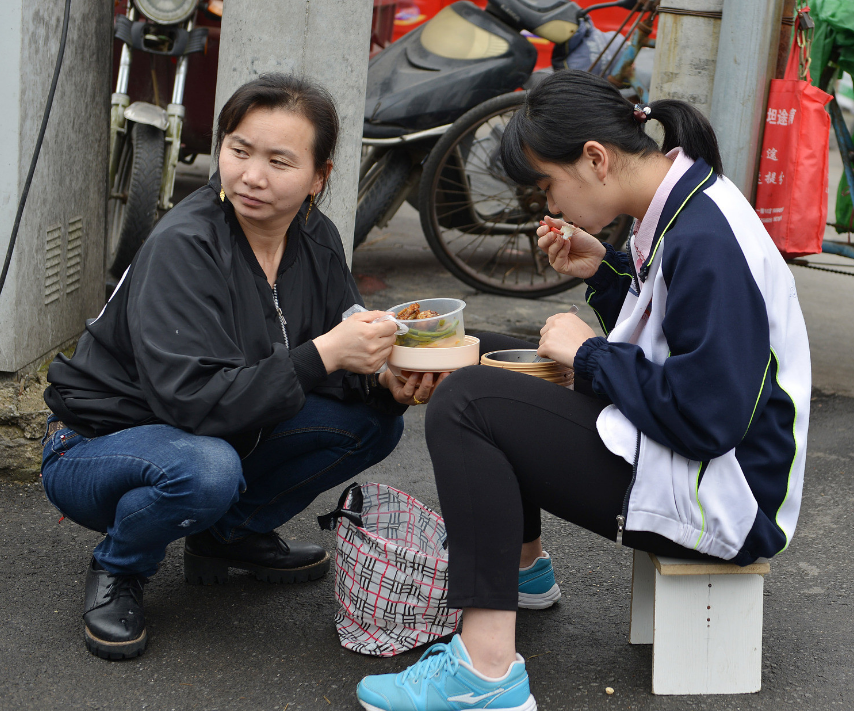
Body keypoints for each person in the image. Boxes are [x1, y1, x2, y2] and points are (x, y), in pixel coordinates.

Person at [355, 69, 811, 711]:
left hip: (728, 500)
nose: (550, 206)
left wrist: (590, 355)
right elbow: (675, 336)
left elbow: (710, 417)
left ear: (595, 158)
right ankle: (522, 572)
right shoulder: (685, 201)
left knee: (467, 402)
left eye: (548, 185)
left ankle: (486, 675)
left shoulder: (705, 237)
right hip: (704, 467)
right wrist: (604, 272)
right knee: (481, 356)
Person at [41, 74, 444, 661]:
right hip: (97, 444)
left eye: (280, 161)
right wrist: (326, 353)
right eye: (239, 150)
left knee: (374, 422)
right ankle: (119, 565)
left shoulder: (317, 238)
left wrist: (383, 378)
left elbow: (333, 354)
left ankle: (225, 536)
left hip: (210, 430)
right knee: (207, 469)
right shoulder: (186, 243)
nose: (252, 176)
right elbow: (192, 402)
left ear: (320, 175)